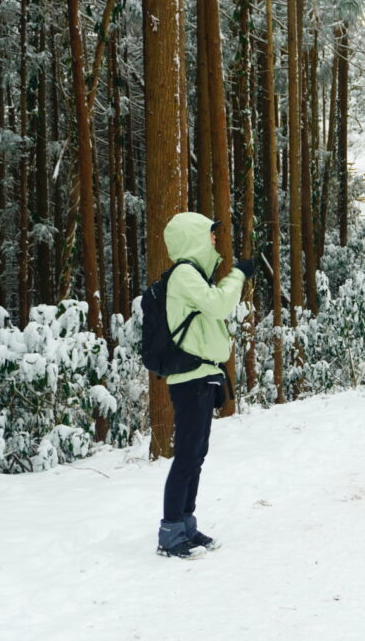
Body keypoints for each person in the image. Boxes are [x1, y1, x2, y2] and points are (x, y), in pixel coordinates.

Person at [156, 211, 255, 558]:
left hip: (203, 374)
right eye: (210, 234)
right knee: (187, 454)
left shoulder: (194, 276)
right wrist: (238, 274)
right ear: (194, 237)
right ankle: (170, 533)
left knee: (196, 454)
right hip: (190, 378)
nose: (214, 239)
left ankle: (186, 525)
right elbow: (219, 304)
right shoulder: (184, 274)